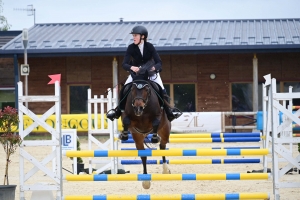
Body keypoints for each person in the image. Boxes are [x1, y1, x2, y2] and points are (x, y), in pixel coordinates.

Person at [106, 25, 181, 122]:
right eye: (133, 36)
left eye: (135, 35)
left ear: (143, 37)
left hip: (150, 74)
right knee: (124, 89)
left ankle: (169, 112)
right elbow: (124, 64)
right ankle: (118, 112)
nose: (133, 37)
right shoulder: (131, 48)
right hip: (136, 75)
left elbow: (159, 62)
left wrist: (154, 67)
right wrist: (132, 67)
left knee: (162, 90)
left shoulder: (149, 47)